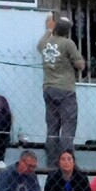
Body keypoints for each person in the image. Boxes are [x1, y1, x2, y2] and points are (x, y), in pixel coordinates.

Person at [37, 17, 85, 162]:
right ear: (68, 31)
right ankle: (66, 158)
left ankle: (51, 160)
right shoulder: (68, 43)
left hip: (48, 87)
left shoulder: (45, 42)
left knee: (52, 126)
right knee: (68, 125)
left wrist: (48, 29)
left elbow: (39, 46)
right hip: (65, 88)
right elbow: (80, 65)